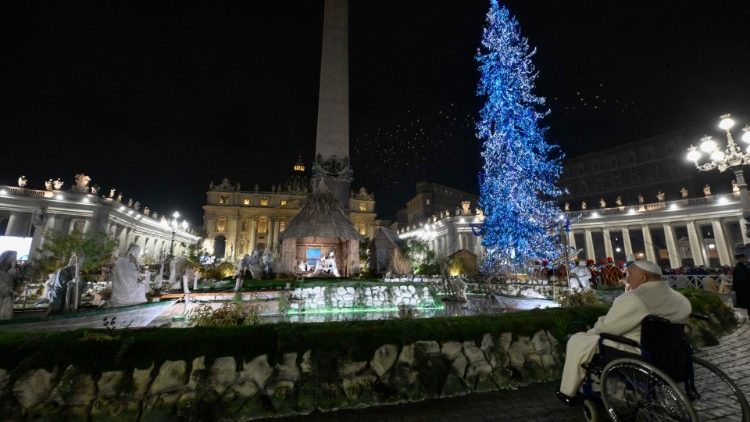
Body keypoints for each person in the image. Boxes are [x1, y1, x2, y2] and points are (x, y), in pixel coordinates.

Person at [557, 260, 692, 404]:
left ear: (643, 278)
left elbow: (608, 328)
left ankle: (568, 392)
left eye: (629, 275)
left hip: (636, 350)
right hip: (672, 352)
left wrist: (594, 329)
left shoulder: (635, 298)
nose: (626, 279)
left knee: (578, 340)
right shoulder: (680, 298)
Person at [0, 251, 18, 320]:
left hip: (7, 299)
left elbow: (11, 282)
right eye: (14, 257)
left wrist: (13, 267)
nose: (15, 259)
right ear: (7, 258)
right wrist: (11, 291)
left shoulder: (9, 270)